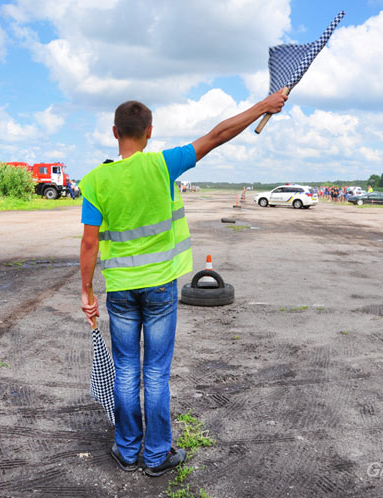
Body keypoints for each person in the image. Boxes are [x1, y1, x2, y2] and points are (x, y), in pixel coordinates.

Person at [79, 91, 287, 476]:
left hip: (121, 291)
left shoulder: (95, 180)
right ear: (149, 132)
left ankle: (126, 451)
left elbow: (90, 241)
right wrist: (263, 107)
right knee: (155, 373)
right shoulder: (164, 165)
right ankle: (156, 456)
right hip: (159, 287)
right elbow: (219, 134)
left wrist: (87, 291)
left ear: (114, 132)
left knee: (126, 370)